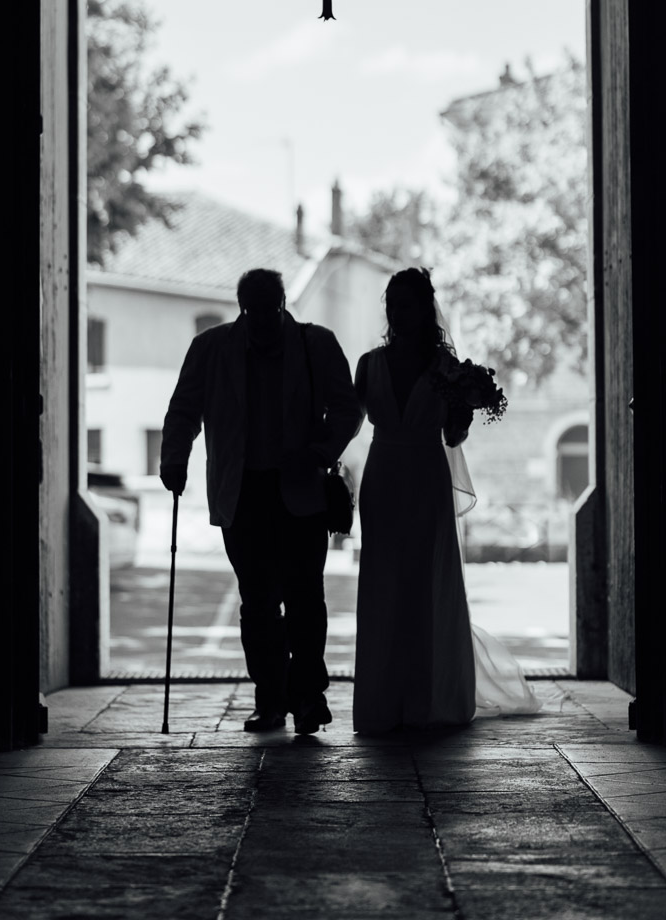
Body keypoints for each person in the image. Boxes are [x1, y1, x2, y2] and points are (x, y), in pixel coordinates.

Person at [160, 268, 362, 735]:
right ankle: (270, 699)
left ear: (283, 304)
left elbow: (349, 408)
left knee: (306, 598)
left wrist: (319, 451)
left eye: (270, 312)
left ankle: (309, 697)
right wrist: (175, 459)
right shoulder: (212, 348)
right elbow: (184, 409)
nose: (263, 323)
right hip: (243, 491)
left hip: (301, 489)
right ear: (242, 308)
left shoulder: (316, 344)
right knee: (258, 602)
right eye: (253, 313)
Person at [352, 267, 540, 734]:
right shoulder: (368, 364)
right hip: (383, 477)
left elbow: (452, 437)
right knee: (383, 582)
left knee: (426, 581)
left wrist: (466, 407)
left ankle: (429, 697)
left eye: (406, 303)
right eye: (392, 303)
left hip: (424, 475)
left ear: (425, 308)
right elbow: (348, 422)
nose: (398, 312)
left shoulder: (447, 370)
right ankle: (383, 701)